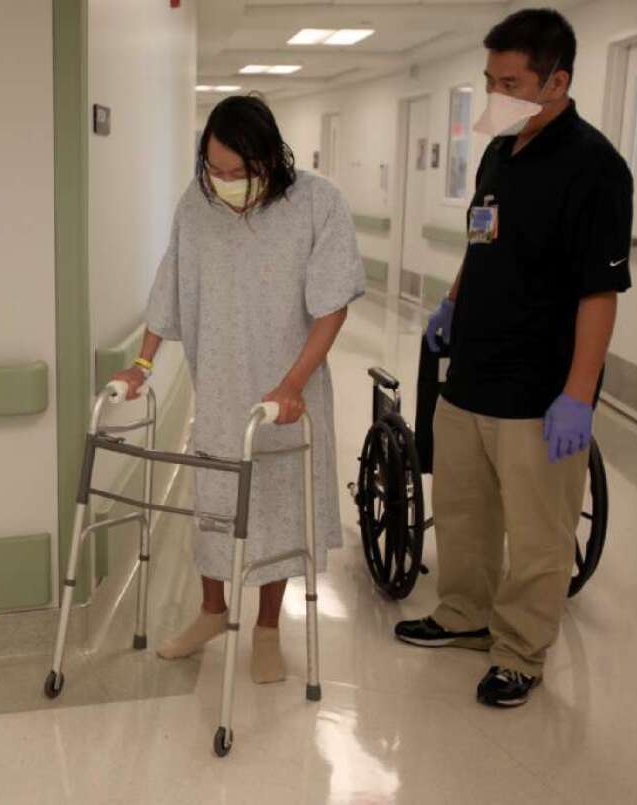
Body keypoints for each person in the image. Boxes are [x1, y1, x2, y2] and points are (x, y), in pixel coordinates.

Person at [394, 8, 632, 708]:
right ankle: (464, 613)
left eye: (510, 80)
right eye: (489, 78)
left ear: (557, 80)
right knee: (463, 511)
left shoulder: (596, 168)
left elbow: (600, 291)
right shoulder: (501, 150)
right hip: (472, 373)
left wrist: (579, 393)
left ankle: (521, 650)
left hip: (541, 388)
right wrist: (453, 302)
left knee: (538, 533)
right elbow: (483, 239)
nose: (495, 92)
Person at [113, 94, 364, 685]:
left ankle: (268, 629)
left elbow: (331, 308)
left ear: (270, 160)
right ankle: (210, 612)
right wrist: (140, 366)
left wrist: (293, 383)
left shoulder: (317, 204)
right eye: (214, 170)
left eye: (238, 172)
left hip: (287, 392)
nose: (223, 183)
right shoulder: (196, 205)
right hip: (221, 390)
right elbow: (168, 285)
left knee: (275, 507)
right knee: (216, 507)